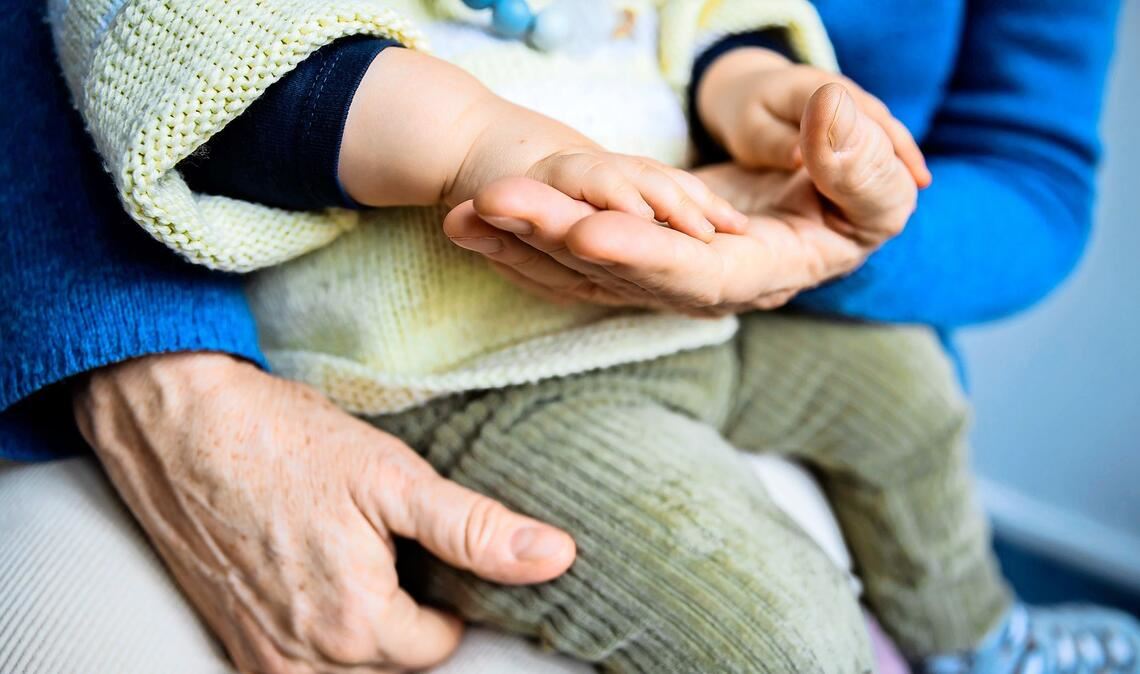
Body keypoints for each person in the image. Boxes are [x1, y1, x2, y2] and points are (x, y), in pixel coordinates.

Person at [1, 3, 1133, 674]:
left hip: (715, 302)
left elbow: (697, 26)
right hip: (477, 382)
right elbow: (205, 53)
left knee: (910, 394)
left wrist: (764, 96)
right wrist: (475, 144)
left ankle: (976, 633)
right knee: (767, 622)